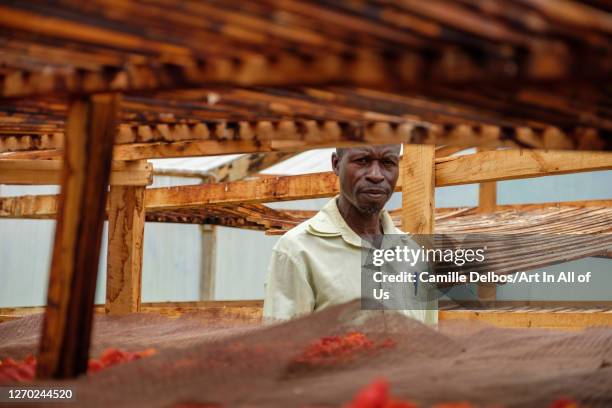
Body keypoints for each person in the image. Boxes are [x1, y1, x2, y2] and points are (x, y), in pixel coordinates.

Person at [263, 145, 438, 324]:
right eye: (362, 160)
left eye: (387, 162)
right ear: (336, 164)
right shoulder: (297, 250)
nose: (376, 175)